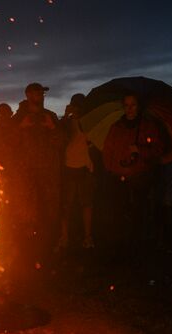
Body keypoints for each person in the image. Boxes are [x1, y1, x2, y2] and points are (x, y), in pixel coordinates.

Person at [102, 93, 166, 258]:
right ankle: (119, 249)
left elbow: (158, 150)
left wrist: (140, 151)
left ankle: (136, 249)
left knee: (138, 213)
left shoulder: (148, 127)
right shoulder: (116, 127)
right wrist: (111, 169)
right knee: (118, 213)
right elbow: (108, 151)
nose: (130, 109)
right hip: (118, 178)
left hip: (140, 178)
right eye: (127, 105)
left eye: (133, 105)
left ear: (139, 106)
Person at [12, 82, 64, 258]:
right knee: (28, 214)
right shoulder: (17, 119)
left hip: (48, 175)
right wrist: (21, 128)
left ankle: (48, 250)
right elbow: (8, 146)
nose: (41, 96)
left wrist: (52, 128)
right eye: (37, 93)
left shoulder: (50, 116)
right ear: (28, 95)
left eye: (42, 93)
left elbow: (61, 143)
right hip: (26, 176)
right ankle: (28, 252)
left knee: (49, 214)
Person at [56, 94, 95, 251]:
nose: (76, 108)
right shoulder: (66, 123)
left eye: (79, 106)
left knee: (87, 204)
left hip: (85, 168)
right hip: (68, 167)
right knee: (66, 205)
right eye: (74, 105)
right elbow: (59, 136)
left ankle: (87, 237)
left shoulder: (90, 122)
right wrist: (65, 116)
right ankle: (64, 237)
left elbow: (94, 143)